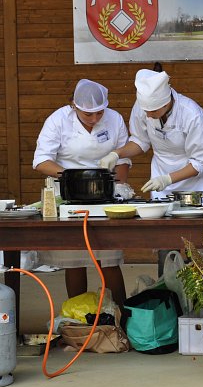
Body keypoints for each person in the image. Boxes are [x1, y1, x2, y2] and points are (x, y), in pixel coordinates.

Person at [33, 79, 130, 305]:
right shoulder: (58, 120)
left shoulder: (115, 119)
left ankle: (122, 314)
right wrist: (75, 177)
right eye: (88, 114)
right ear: (74, 106)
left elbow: (123, 158)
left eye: (99, 113)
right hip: (69, 193)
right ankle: (79, 316)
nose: (95, 119)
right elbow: (41, 161)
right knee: (74, 259)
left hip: (105, 193)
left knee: (108, 259)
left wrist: (119, 185)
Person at [99, 69, 203, 199]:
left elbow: (201, 163)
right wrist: (116, 154)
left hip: (196, 185)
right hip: (160, 177)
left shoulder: (192, 114)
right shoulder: (143, 107)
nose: (148, 115)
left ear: (166, 103)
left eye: (154, 111)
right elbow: (140, 141)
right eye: (146, 111)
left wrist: (167, 179)